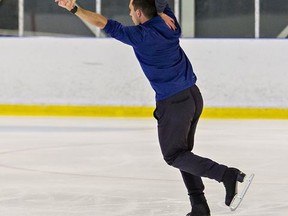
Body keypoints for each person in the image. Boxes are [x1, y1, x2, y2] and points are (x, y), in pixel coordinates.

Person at [55, 0, 249, 215]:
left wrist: (75, 8)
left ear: (139, 12)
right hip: (193, 96)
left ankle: (227, 175)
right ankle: (199, 206)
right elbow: (160, 2)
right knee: (183, 155)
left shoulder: (140, 36)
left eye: (130, 11)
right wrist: (160, 10)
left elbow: (101, 22)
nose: (129, 15)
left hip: (174, 103)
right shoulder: (170, 24)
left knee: (174, 156)